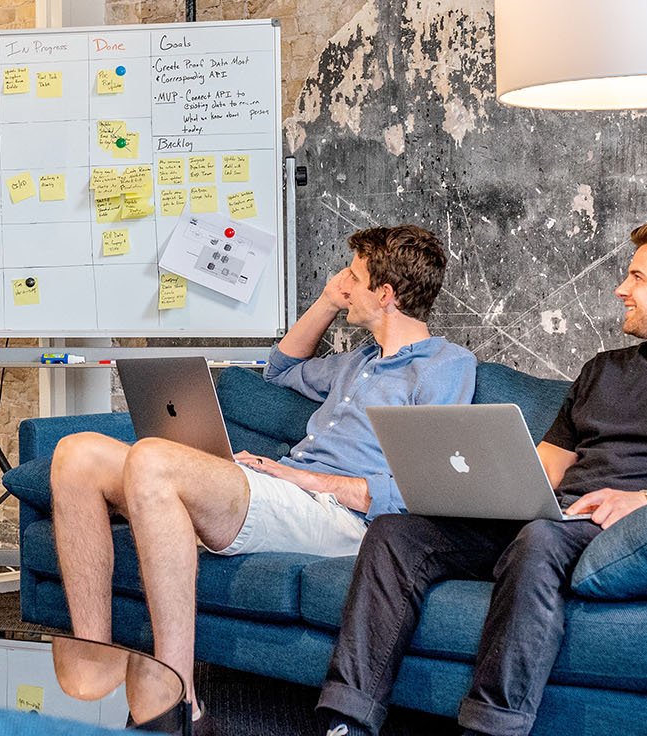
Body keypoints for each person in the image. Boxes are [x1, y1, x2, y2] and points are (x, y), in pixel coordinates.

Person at [317, 220, 647, 736]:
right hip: (560, 517)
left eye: (637, 277)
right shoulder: (602, 371)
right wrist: (482, 487)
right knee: (397, 532)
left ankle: (491, 728)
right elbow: (545, 466)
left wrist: (646, 497)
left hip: (638, 528)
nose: (621, 289)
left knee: (540, 537)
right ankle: (346, 721)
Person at [50, 225, 477, 729]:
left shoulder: (445, 366)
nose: (342, 282)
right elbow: (279, 368)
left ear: (384, 295)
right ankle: (94, 655)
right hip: (286, 494)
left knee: (152, 460)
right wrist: (324, 301)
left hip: (340, 519)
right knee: (75, 454)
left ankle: (179, 699)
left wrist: (305, 479)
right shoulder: (356, 363)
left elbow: (423, 489)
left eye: (353, 277)